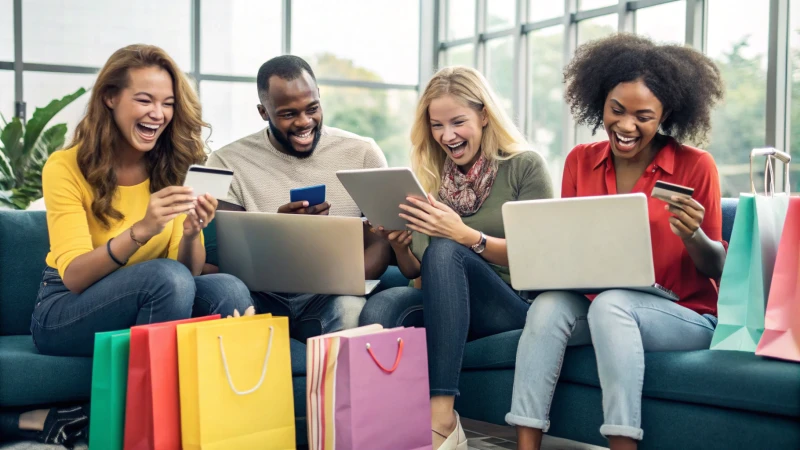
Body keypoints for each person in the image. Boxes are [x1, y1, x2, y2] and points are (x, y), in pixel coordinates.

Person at [4, 45, 254, 444]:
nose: (159, 112)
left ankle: (226, 428)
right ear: (110, 97)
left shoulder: (172, 164)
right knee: (165, 277)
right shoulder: (66, 167)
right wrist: (143, 228)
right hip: (65, 310)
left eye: (168, 103)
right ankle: (150, 431)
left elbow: (187, 275)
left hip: (156, 294)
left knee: (227, 288)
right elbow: (74, 276)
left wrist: (191, 232)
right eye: (145, 99)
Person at [506, 34, 727, 450]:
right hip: (602, 306)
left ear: (665, 115)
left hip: (683, 315)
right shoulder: (580, 160)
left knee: (612, 304)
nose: (626, 126)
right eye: (617, 110)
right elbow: (568, 248)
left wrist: (692, 234)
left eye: (643, 115)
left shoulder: (696, 166)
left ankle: (623, 445)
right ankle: (525, 444)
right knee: (549, 305)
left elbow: (717, 268)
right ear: (599, 103)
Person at [358, 66, 554, 450]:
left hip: (511, 305)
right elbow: (418, 270)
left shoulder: (524, 166)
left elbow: (541, 255)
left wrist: (466, 235)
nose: (447, 135)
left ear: (484, 115)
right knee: (383, 307)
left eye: (458, 122)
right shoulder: (431, 177)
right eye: (436, 125)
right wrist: (399, 244)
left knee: (449, 249)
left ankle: (442, 418)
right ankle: (388, 429)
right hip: (448, 304)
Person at [205, 55, 391, 341]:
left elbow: (381, 244)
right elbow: (225, 262)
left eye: (312, 109)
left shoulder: (363, 153)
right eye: (288, 114)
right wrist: (279, 235)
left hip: (330, 295)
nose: (304, 123)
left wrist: (338, 276)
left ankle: (340, 387)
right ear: (263, 112)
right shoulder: (225, 162)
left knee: (351, 309)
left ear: (320, 98)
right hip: (261, 297)